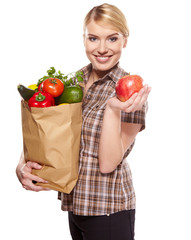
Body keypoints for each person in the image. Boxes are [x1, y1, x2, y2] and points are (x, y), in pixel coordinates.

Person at [16, 3, 151, 240]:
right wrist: (23, 164)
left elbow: (108, 163)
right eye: (93, 38)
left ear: (124, 41)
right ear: (84, 39)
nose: (101, 48)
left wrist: (111, 108)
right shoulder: (73, 82)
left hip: (109, 210)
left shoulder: (129, 93)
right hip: (76, 206)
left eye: (112, 39)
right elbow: (51, 131)